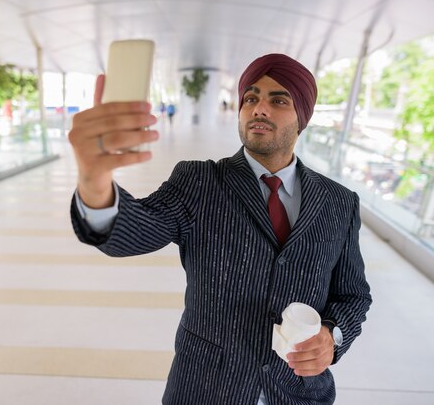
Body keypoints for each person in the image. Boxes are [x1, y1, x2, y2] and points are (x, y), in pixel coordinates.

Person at [68, 53, 372, 405]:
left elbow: (353, 295)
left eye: (279, 100)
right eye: (251, 98)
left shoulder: (339, 201)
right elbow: (136, 229)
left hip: (298, 393)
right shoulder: (199, 182)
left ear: (302, 116)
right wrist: (94, 181)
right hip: (205, 388)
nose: (259, 109)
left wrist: (331, 337)